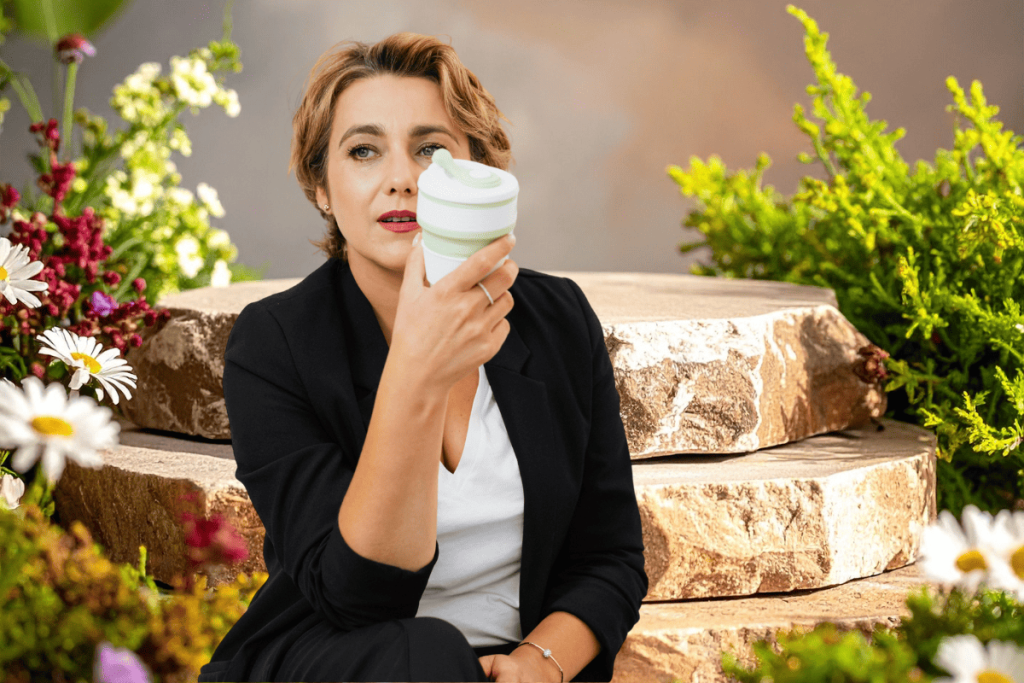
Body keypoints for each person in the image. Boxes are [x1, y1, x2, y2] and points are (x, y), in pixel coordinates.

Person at [198, 32, 647, 683]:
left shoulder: (557, 320)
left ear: (480, 177)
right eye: (363, 151)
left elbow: (611, 558)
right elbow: (359, 596)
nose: (403, 178)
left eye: (432, 149)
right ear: (321, 187)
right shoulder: (273, 344)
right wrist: (416, 366)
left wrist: (538, 664)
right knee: (429, 652)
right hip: (335, 662)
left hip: (510, 669)